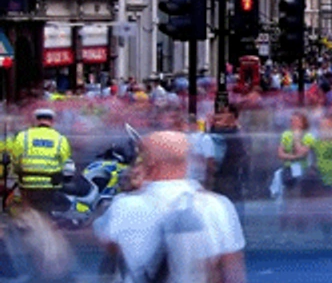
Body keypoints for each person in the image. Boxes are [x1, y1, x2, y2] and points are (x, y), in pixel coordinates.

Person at [94, 130, 246, 283]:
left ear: (149, 162)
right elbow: (232, 271)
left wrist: (132, 189)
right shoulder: (216, 206)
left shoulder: (124, 206)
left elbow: (108, 244)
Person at [9, 108, 71, 213]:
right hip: (49, 185)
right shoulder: (60, 139)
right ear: (52, 122)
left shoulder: (23, 136)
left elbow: (15, 161)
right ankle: (46, 225)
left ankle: (29, 222)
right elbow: (64, 164)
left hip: (27, 183)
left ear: (36, 121)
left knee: (25, 208)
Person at [277, 112, 313, 231]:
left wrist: (297, 138)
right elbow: (280, 153)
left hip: (302, 169)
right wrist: (293, 157)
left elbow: (302, 152)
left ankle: (300, 224)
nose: (294, 123)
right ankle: (284, 225)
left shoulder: (308, 136)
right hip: (288, 169)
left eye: (297, 120)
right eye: (292, 120)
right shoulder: (286, 134)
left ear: (303, 123)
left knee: (301, 196)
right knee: (288, 196)